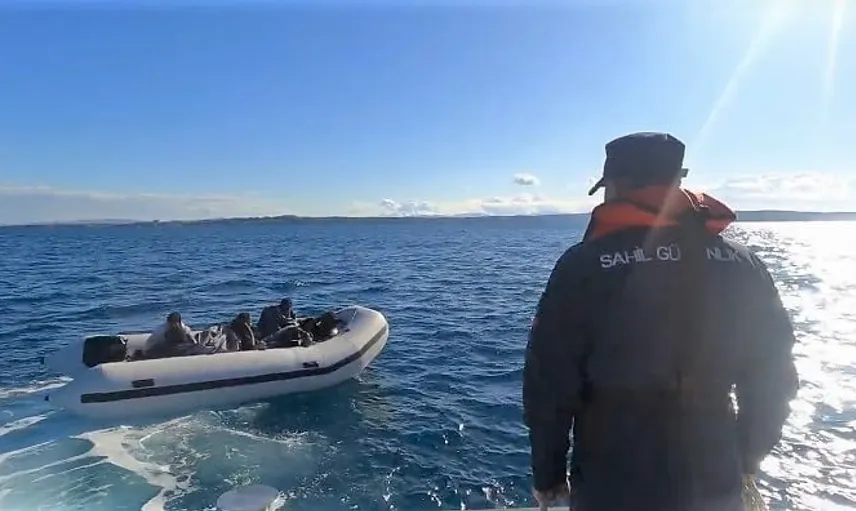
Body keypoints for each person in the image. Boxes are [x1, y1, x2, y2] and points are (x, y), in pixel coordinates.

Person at [522, 132, 799, 511]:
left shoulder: (582, 266)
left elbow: (548, 384)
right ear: (676, 181)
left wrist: (548, 475)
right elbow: (775, 376)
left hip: (612, 484)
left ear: (615, 186)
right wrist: (747, 457)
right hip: (714, 476)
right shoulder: (742, 263)